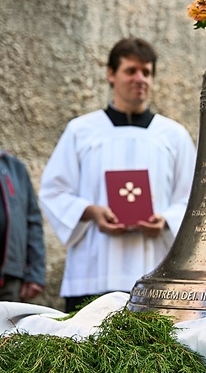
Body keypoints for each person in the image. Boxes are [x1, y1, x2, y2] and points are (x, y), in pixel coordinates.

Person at [39, 37, 197, 313]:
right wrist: (91, 211)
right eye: (131, 71)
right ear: (111, 74)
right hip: (94, 270)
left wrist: (165, 220)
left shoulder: (173, 135)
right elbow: (54, 191)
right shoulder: (81, 131)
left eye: (146, 72)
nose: (140, 79)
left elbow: (192, 200)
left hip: (153, 273)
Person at [0, 150, 46, 302]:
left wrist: (35, 273)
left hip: (10, 279)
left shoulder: (15, 168)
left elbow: (32, 222)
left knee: (9, 325)